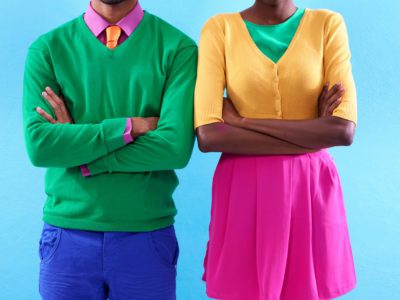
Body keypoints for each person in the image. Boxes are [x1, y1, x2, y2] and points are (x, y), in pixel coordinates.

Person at [22, 0, 197, 299]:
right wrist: (131, 126)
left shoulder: (178, 48)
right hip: (67, 236)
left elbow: (174, 148)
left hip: (147, 234)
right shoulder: (47, 50)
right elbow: (41, 147)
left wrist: (80, 147)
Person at [194, 0, 357, 299]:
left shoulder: (327, 25)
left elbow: (342, 131)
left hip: (309, 189)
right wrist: (313, 132)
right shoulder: (220, 29)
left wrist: (242, 121)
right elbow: (209, 136)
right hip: (242, 190)